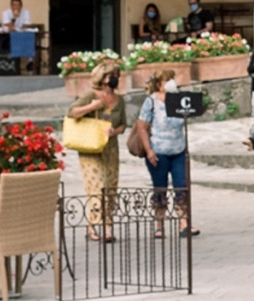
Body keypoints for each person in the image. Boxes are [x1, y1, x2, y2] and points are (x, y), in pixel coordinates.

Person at [67, 60, 126, 239]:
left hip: (110, 147)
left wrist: (114, 131)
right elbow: (72, 113)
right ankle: (99, 226)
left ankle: (100, 225)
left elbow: (123, 124)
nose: (114, 78)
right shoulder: (90, 95)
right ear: (102, 78)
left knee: (110, 186)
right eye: (111, 75)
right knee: (96, 186)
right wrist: (92, 107)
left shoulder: (119, 99)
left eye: (116, 75)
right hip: (90, 147)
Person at [136, 68, 191, 229]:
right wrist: (149, 151)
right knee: (160, 188)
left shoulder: (180, 100)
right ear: (159, 84)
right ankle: (159, 223)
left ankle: (183, 222)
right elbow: (142, 127)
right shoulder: (151, 101)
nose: (170, 83)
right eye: (167, 80)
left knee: (181, 185)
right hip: (158, 151)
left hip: (178, 150)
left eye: (172, 80)